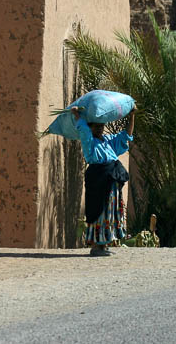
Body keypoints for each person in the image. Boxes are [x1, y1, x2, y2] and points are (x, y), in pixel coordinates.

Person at [71, 104, 136, 256]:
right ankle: (96, 246)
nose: (99, 129)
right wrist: (77, 116)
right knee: (99, 211)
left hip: (111, 180)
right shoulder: (89, 143)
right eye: (96, 126)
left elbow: (126, 136)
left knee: (110, 211)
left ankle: (104, 243)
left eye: (101, 126)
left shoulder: (109, 141)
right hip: (98, 180)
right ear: (91, 127)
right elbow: (84, 132)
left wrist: (132, 115)